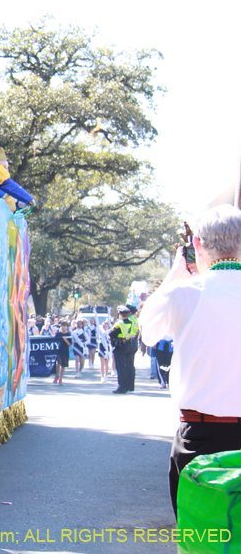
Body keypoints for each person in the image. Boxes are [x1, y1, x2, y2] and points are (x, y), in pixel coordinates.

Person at [139, 205, 241, 518]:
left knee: (202, 538)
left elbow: (148, 333)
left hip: (200, 435)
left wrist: (175, 273)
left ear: (196, 245)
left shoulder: (184, 293)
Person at [109, 306, 139, 394]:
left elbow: (112, 334)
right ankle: (130, 386)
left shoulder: (120, 323)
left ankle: (122, 387)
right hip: (131, 343)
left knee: (121, 367)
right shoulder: (133, 321)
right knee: (130, 366)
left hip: (121, 345)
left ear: (121, 314)